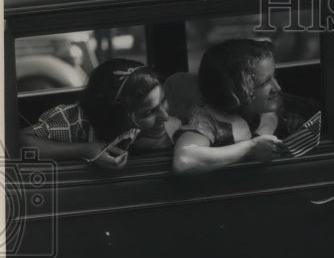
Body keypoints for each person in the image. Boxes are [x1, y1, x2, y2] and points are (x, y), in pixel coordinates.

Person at [21, 59, 179, 169]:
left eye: (163, 101)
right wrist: (86, 150)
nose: (164, 116)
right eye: (149, 112)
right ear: (117, 116)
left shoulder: (170, 126)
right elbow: (22, 140)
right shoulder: (75, 121)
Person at [173, 38, 286, 173]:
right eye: (264, 83)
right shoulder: (207, 119)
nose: (277, 87)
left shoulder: (269, 107)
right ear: (237, 91)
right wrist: (250, 148)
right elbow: (184, 161)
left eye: (274, 77)